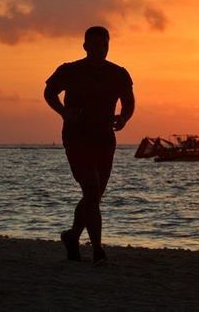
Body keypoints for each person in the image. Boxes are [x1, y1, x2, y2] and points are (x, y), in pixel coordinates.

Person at [44, 26, 135, 265]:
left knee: (94, 196)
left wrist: (124, 118)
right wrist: (64, 112)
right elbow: (49, 92)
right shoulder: (70, 70)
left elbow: (129, 102)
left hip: (104, 139)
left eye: (103, 45)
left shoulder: (119, 73)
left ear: (108, 46)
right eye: (94, 46)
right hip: (76, 137)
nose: (99, 50)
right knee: (92, 190)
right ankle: (97, 251)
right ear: (85, 46)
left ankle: (72, 236)